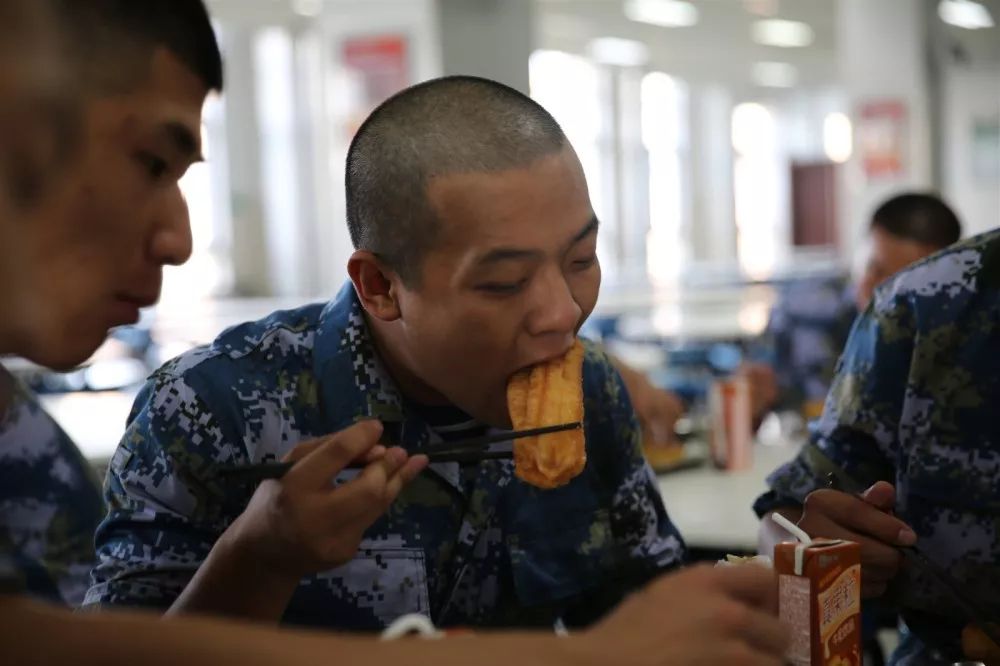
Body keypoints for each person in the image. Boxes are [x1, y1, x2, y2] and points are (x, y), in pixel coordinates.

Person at [0, 2, 790, 665]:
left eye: (582, 259)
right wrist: (262, 555)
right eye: (504, 283)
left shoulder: (589, 393)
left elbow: (648, 620)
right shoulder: (214, 407)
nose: (560, 313)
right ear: (380, 286)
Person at [755, 227, 1000, 664]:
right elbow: (789, 517)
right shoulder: (927, 304)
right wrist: (805, 555)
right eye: (869, 268)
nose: (867, 284)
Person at [745, 193, 963, 423]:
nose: (878, 289)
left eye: (903, 284)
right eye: (874, 269)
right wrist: (753, 399)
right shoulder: (802, 311)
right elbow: (746, 394)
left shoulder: (959, 338)